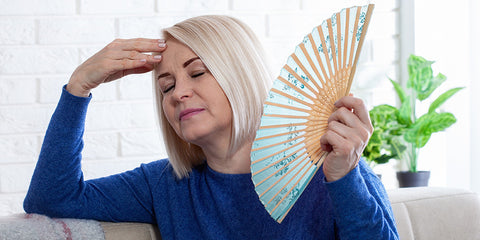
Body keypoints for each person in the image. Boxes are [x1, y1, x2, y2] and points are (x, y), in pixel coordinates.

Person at [24, 15, 399, 239]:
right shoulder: (165, 185)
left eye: (198, 73)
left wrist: (344, 179)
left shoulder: (335, 172)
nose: (178, 93)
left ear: (241, 73)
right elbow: (50, 198)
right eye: (166, 85)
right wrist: (79, 87)